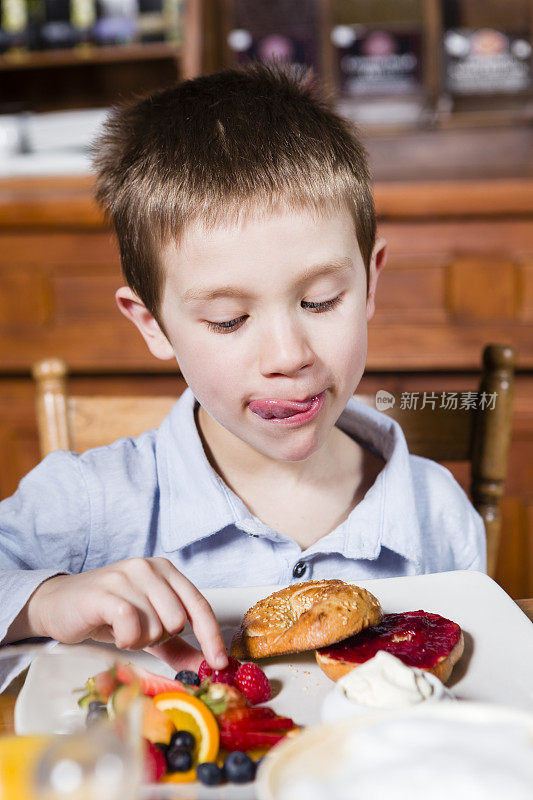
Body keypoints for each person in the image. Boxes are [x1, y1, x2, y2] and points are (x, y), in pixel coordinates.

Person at [0, 63, 485, 689]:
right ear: (152, 325)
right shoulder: (90, 504)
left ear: (370, 282)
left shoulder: (437, 512)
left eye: (320, 301)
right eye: (229, 320)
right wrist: (45, 599)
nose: (288, 354)